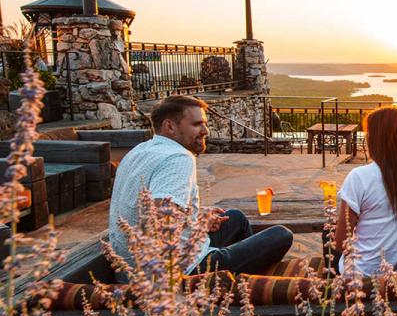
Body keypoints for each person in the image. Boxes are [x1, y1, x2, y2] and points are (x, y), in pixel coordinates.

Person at [109, 95, 293, 282]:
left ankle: (239, 279)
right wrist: (198, 226)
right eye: (197, 124)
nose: (205, 131)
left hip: (133, 270)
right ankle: (238, 288)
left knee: (236, 218)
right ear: (170, 126)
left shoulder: (138, 152)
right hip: (179, 273)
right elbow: (159, 226)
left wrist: (195, 217)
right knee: (281, 235)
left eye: (205, 124)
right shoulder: (178, 158)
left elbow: (148, 211)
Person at [333, 107, 397, 276]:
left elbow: (340, 242)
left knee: (327, 237)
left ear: (375, 139)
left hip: (360, 274)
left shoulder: (359, 177)